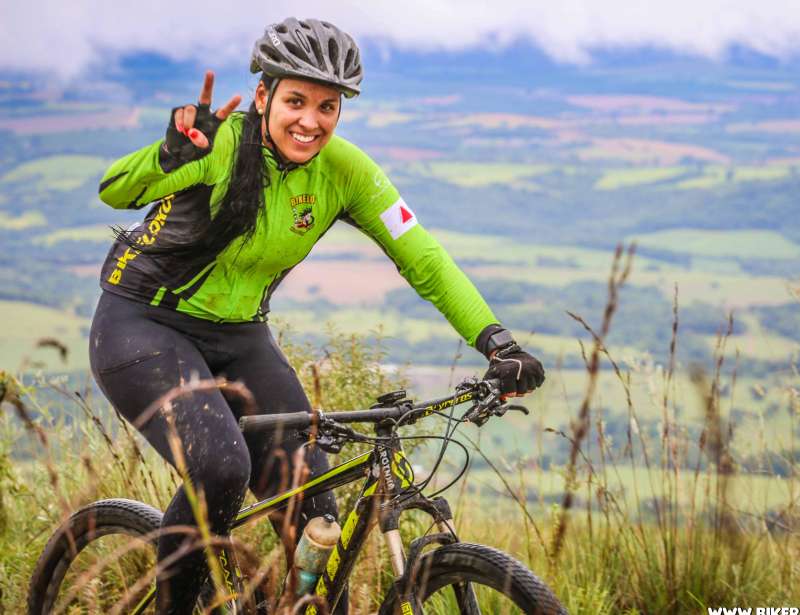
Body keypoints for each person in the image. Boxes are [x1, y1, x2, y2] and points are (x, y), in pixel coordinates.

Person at [89, 17, 544, 614]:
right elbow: (115, 189)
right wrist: (168, 155)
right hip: (142, 325)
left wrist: (497, 342)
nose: (310, 120)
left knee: (317, 508)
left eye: (327, 106)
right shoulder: (220, 143)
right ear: (263, 97)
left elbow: (424, 258)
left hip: (240, 334)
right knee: (223, 466)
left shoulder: (345, 171)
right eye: (296, 100)